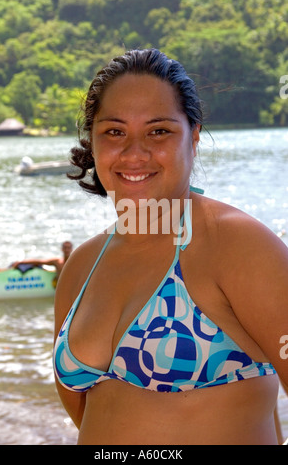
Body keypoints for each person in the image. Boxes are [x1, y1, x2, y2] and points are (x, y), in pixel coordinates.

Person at [53, 49, 288, 445]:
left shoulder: (236, 245)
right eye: (114, 132)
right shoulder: (82, 265)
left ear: (193, 137)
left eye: (158, 131)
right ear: (92, 141)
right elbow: (88, 415)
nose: (134, 153)